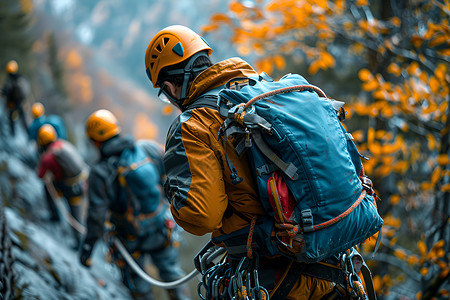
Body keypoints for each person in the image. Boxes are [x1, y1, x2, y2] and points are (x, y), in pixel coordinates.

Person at [144, 25, 363, 299]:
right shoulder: (270, 91)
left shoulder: (194, 124)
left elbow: (201, 216)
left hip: (272, 279)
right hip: (337, 267)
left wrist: (174, 190)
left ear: (169, 86)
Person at [79, 109, 190, 300]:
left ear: (95, 140)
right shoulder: (146, 148)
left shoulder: (100, 172)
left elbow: (96, 216)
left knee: (139, 286)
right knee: (171, 273)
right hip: (161, 228)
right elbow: (172, 176)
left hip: (129, 237)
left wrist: (87, 249)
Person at [36, 124, 87, 248]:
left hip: (66, 186)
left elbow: (40, 175)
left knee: (47, 188)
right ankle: (79, 242)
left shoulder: (47, 157)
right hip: (80, 183)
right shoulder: (63, 144)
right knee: (76, 213)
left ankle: (55, 215)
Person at [1, 60, 29, 136]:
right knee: (24, 120)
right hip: (21, 103)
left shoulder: (9, 80)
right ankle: (29, 134)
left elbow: (6, 92)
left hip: (12, 105)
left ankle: (12, 135)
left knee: (12, 120)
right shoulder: (20, 78)